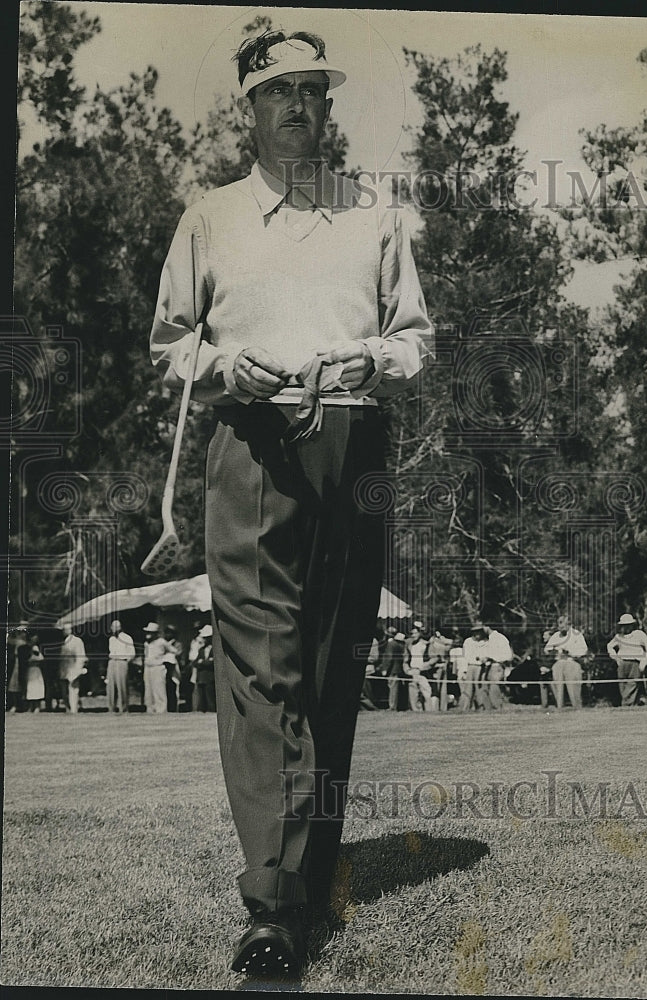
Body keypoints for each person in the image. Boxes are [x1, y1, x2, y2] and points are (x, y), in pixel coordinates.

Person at [148, 27, 432, 982]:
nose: (299, 109)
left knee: (327, 663)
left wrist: (372, 359)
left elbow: (415, 339)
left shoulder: (376, 212)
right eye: (280, 93)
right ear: (251, 109)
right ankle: (275, 905)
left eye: (313, 91)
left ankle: (306, 871)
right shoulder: (208, 218)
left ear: (327, 104)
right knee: (260, 663)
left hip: (353, 438)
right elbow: (171, 348)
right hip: (248, 438)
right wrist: (227, 364)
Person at [607, 613, 647, 707]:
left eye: (628, 625)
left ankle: (626, 706)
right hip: (622, 664)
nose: (626, 627)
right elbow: (610, 646)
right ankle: (631, 706)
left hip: (635, 663)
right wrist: (616, 658)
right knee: (622, 686)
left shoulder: (639, 634)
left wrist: (644, 662)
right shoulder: (618, 636)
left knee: (632, 686)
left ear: (632, 625)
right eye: (623, 625)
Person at [543, 615, 588, 710]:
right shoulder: (556, 635)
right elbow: (547, 649)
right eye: (559, 626)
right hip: (559, 662)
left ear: (569, 625)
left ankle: (577, 708)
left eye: (562, 626)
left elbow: (584, 650)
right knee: (558, 687)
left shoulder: (577, 635)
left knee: (573, 687)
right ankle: (560, 707)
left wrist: (570, 652)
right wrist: (555, 651)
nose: (560, 628)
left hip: (572, 662)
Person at [474, 622, 514, 711]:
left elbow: (508, 656)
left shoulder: (499, 638)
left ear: (487, 626)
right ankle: (488, 709)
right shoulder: (489, 639)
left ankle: (498, 709)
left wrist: (491, 658)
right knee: (485, 689)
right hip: (488, 667)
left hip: (496, 666)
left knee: (494, 689)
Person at [142, 622, 173, 714]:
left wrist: (165, 659)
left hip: (158, 667)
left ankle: (161, 710)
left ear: (155, 633)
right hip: (148, 667)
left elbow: (174, 651)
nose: (148, 634)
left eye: (150, 632)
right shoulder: (146, 643)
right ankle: (150, 709)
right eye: (147, 632)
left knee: (159, 689)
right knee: (148, 689)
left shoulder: (162, 642)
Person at [106, 619, 135, 714]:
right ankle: (111, 708)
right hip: (112, 662)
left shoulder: (127, 638)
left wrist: (125, 661)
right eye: (112, 627)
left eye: (115, 627)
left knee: (122, 685)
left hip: (122, 662)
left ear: (120, 627)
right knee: (110, 687)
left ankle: (124, 708)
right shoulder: (111, 639)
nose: (113, 629)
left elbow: (132, 653)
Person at [57, 623, 87, 714]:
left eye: (66, 630)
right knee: (64, 690)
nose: (64, 632)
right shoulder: (63, 642)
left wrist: (78, 670)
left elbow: (80, 656)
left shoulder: (77, 641)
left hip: (73, 668)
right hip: (64, 669)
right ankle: (67, 708)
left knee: (73, 689)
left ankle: (74, 709)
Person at [459, 623, 487, 711]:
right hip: (470, 666)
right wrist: (464, 671)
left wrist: (484, 659)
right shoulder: (468, 642)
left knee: (480, 687)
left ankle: (481, 707)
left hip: (480, 667)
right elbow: (464, 657)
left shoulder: (485, 642)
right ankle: (466, 708)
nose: (478, 634)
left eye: (479, 631)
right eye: (476, 631)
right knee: (468, 688)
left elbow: (487, 655)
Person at [406, 622, 433, 711]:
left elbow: (433, 658)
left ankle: (429, 711)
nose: (413, 635)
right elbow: (405, 660)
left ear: (420, 633)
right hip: (413, 671)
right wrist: (407, 669)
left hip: (423, 671)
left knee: (426, 692)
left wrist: (425, 666)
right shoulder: (409, 645)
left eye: (415, 633)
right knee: (414, 693)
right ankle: (416, 711)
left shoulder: (425, 644)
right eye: (411, 633)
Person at [426, 626, 453, 710]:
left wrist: (436, 639)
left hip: (437, 666)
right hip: (443, 665)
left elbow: (431, 655)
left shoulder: (434, 643)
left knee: (436, 688)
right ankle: (442, 707)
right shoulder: (444, 643)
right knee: (442, 688)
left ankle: (435, 708)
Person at [192, 624, 216, 713]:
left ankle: (211, 712)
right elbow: (195, 662)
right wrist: (204, 662)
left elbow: (214, 663)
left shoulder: (215, 649)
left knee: (210, 697)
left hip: (210, 677)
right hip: (201, 677)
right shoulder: (201, 649)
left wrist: (202, 662)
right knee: (201, 698)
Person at [382, 631, 407, 711]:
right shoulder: (401, 645)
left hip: (392, 670)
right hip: (398, 669)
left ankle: (392, 706)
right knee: (395, 689)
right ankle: (394, 706)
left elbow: (389, 657)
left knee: (392, 688)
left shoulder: (391, 644)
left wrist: (385, 669)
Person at [164, 624, 183, 712]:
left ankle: (174, 708)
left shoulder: (177, 644)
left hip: (174, 668)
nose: (167, 635)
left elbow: (178, 654)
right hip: (164, 668)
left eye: (169, 633)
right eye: (166, 633)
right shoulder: (164, 643)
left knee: (174, 687)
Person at [24, 634, 45, 712]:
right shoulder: (28, 648)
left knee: (36, 687)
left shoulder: (35, 648)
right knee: (30, 687)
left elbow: (40, 658)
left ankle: (37, 707)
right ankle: (31, 706)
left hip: (36, 670)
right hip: (30, 670)